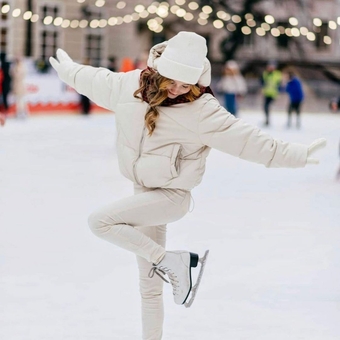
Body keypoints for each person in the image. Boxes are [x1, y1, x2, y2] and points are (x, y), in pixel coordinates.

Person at [50, 31, 326, 340]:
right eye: (174, 82)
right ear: (161, 70)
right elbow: (97, 81)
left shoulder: (202, 111)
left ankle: (173, 261)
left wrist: (298, 155)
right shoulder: (131, 86)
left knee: (99, 221)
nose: (179, 90)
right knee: (149, 285)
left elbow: (249, 141)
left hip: (171, 197)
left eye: (187, 84)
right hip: (143, 193)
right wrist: (70, 72)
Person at [261, 61, 282, 126]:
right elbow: (262, 82)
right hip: (266, 93)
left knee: (267, 106)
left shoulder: (277, 74)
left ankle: (268, 120)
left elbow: (279, 84)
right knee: (265, 107)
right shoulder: (265, 74)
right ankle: (267, 119)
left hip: (273, 94)